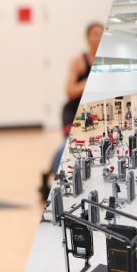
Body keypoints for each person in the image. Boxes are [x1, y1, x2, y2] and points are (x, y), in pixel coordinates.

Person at [41, 23, 101, 202]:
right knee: (68, 146)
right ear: (88, 37)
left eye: (102, 34)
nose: (99, 38)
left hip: (93, 112)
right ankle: (50, 176)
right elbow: (70, 90)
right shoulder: (79, 60)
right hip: (73, 111)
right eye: (95, 34)